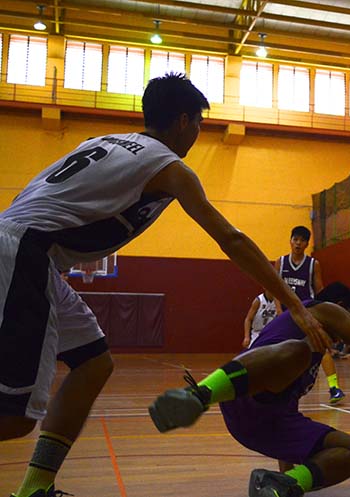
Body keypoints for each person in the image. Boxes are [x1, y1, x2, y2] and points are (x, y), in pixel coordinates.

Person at [0, 73, 327, 497]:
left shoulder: (102, 143)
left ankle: (34, 488)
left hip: (27, 249)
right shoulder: (169, 167)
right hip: (25, 254)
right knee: (16, 416)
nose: (197, 134)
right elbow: (231, 239)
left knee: (95, 362)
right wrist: (294, 303)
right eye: (198, 124)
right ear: (182, 121)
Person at [149, 282, 350, 497]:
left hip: (265, 422)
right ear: (340, 308)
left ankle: (283, 486)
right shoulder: (324, 311)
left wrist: (291, 466)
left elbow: (287, 410)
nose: (348, 333)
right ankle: (199, 395)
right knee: (296, 351)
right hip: (242, 391)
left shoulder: (314, 352)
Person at [275, 226, 345, 404]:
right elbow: (274, 288)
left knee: (321, 347)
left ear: (306, 244)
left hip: (308, 314)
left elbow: (320, 290)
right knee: (282, 352)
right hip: (286, 315)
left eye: (302, 240)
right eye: (295, 239)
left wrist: (324, 313)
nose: (298, 243)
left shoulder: (314, 264)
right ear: (290, 241)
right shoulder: (281, 262)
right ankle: (281, 389)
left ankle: (334, 388)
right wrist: (278, 310)